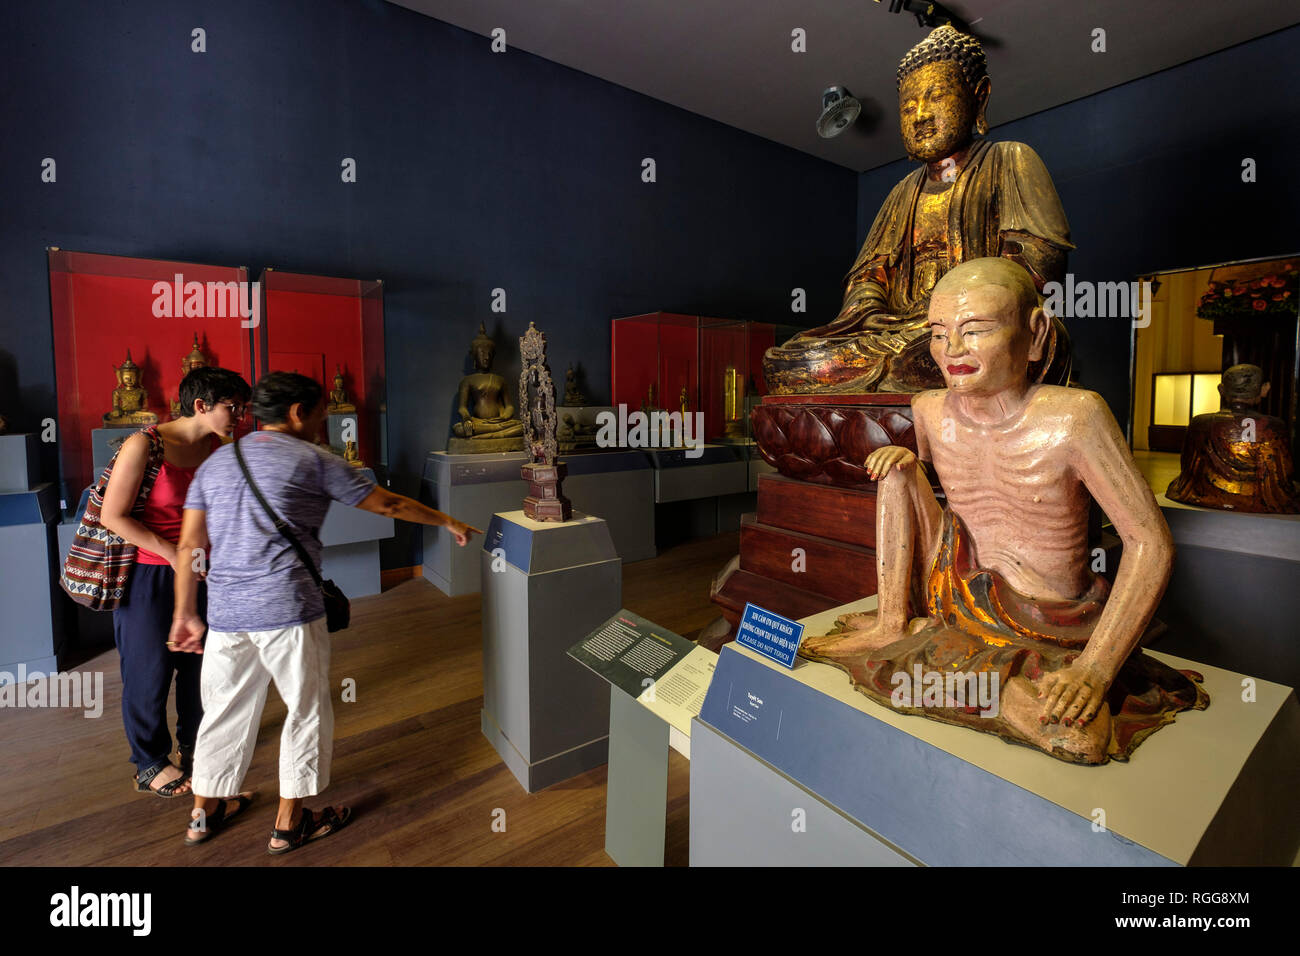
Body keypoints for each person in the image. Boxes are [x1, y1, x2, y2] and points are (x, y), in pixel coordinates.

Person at [799, 258, 1206, 764]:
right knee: (897, 472)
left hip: (1047, 615)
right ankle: (890, 622)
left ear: (1035, 335)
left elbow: (1149, 543)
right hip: (953, 589)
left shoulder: (1075, 417)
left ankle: (963, 673)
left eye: (975, 331)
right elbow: (933, 503)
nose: (953, 351)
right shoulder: (928, 408)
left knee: (1075, 736)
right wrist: (905, 461)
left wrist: (1095, 669)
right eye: (939, 333)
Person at [170, 371, 479, 851]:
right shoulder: (313, 459)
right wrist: (448, 520)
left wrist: (184, 613)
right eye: (321, 415)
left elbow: (190, 544)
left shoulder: (217, 463)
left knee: (223, 713)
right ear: (297, 413)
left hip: (227, 614)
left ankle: (203, 814)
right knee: (305, 711)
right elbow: (388, 504)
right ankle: (289, 824)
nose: (324, 425)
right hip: (288, 609)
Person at [99, 366, 252, 797]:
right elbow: (114, 516)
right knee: (148, 669)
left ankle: (194, 742)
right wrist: (174, 554)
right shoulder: (143, 445)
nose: (240, 414)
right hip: (148, 572)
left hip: (205, 571)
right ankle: (148, 762)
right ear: (201, 406)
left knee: (200, 665)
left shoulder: (217, 448)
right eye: (232, 406)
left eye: (243, 406)